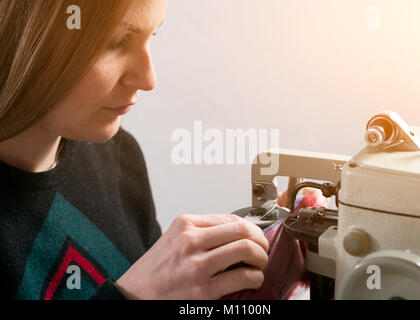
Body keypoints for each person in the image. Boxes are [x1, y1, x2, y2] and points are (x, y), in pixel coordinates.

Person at [0, 0, 271, 300]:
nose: (148, 80)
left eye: (151, 36)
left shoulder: (120, 156)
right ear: (24, 35)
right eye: (115, 42)